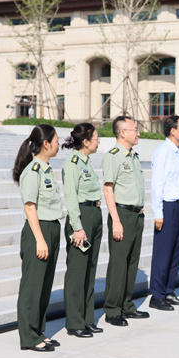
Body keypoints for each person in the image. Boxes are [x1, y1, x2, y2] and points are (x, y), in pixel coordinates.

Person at [12, 124, 63, 352]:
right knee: (32, 287)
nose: (59, 144)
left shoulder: (45, 169)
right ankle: (29, 336)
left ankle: (38, 331)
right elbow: (30, 207)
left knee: (44, 285)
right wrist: (40, 240)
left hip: (51, 227)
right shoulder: (32, 171)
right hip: (38, 231)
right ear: (46, 143)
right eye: (56, 140)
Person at [101, 115, 147, 327]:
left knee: (131, 263)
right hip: (122, 214)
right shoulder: (113, 156)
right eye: (134, 129)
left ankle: (127, 305)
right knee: (119, 264)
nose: (138, 133)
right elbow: (108, 189)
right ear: (122, 133)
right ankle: (112, 309)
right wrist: (116, 221)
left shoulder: (134, 156)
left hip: (136, 215)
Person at [61, 123, 103, 338]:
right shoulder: (73, 164)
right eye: (96, 138)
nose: (98, 141)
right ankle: (74, 321)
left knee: (90, 270)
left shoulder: (87, 163)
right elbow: (71, 198)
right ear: (85, 141)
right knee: (77, 272)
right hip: (81, 217)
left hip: (94, 214)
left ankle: (87, 318)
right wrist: (77, 228)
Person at [149, 115, 179, 310]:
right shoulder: (163, 152)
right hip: (168, 207)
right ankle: (157, 295)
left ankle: (168, 291)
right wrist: (158, 213)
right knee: (163, 253)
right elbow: (157, 184)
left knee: (176, 252)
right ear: (172, 131)